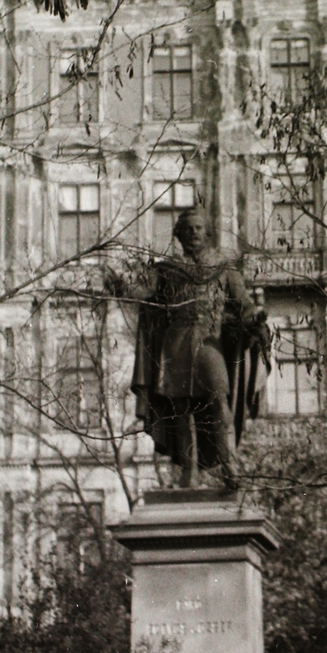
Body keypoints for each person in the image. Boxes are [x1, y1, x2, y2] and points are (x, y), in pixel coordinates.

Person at [131, 206, 270, 490]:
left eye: (198, 228)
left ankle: (230, 468)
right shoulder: (167, 270)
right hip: (176, 344)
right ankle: (188, 473)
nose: (194, 232)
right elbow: (149, 301)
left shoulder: (224, 268)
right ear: (178, 235)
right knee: (182, 411)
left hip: (209, 342)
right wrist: (125, 288)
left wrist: (255, 318)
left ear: (207, 233)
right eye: (188, 228)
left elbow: (242, 304)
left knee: (220, 403)